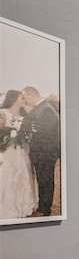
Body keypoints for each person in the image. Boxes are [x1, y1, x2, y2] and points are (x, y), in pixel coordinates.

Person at [20, 86, 59, 217]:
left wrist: (29, 135)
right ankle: (43, 206)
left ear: (31, 96)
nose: (25, 101)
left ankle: (44, 209)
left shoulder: (46, 109)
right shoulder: (41, 107)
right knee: (43, 180)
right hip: (43, 152)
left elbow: (45, 134)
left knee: (46, 181)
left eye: (25, 98)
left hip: (45, 153)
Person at [0, 90, 38, 219]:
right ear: (15, 99)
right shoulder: (4, 113)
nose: (24, 100)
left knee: (23, 174)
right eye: (22, 98)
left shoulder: (24, 114)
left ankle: (23, 204)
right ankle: (8, 206)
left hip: (21, 150)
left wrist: (26, 134)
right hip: (9, 150)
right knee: (9, 175)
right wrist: (11, 133)